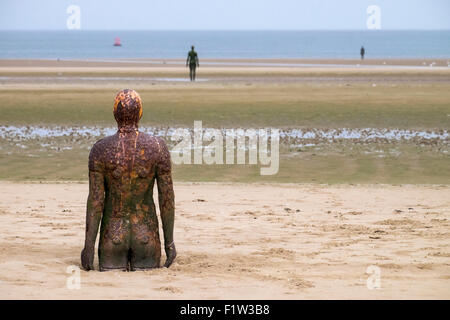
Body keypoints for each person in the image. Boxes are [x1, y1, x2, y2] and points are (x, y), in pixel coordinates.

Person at [81, 89, 176, 271]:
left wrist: (88, 246)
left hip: (112, 236)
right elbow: (167, 200)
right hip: (146, 236)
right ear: (140, 113)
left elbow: (95, 202)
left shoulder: (100, 150)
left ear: (115, 113)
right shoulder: (157, 147)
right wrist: (169, 243)